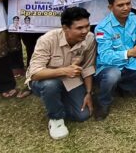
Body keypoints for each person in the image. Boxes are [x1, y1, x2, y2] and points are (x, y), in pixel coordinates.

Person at [27, 7, 95, 139]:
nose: (85, 31)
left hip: (70, 80)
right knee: (51, 85)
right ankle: (56, 119)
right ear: (65, 28)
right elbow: (34, 74)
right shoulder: (47, 40)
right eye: (79, 28)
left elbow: (88, 67)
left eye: (87, 26)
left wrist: (88, 93)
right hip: (44, 80)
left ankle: (55, 100)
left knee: (83, 115)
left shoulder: (90, 38)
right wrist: (64, 70)